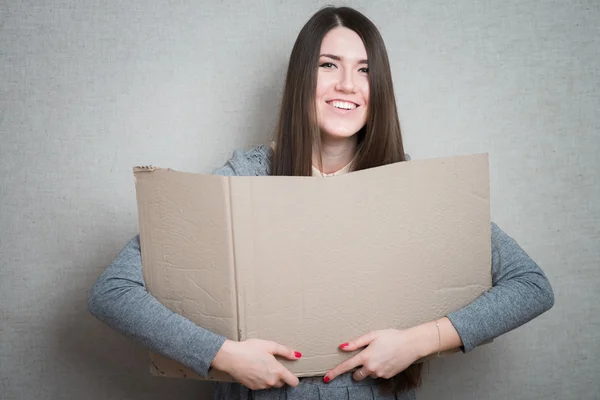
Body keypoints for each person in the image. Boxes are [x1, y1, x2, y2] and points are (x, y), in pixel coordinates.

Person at [88, 6, 555, 400]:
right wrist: (222, 355)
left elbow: (529, 285)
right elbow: (114, 292)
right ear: (301, 78)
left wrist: (415, 343)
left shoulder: (413, 185)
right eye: (328, 65)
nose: (348, 84)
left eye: (365, 69)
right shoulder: (243, 177)